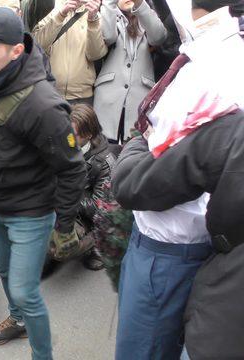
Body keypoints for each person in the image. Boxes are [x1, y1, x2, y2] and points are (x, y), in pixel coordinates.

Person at [0, 7, 86, 356]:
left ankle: (42, 354)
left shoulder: (44, 105)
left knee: (25, 290)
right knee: (3, 269)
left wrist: (65, 225)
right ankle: (17, 320)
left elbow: (73, 169)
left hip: (32, 211)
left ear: (16, 51)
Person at [111, 1, 244, 359]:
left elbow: (150, 176)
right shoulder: (206, 49)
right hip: (164, 242)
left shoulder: (222, 65)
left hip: (171, 250)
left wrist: (137, 144)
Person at [94, 0, 166, 143]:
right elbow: (108, 36)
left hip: (139, 96)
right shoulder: (109, 14)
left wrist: (140, 5)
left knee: (133, 145)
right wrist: (109, 3)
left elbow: (159, 37)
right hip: (109, 95)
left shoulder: (145, 18)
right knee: (105, 144)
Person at [33, 0, 107, 105]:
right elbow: (38, 45)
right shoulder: (51, 8)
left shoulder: (96, 14)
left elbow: (95, 55)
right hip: (49, 91)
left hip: (82, 96)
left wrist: (92, 20)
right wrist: (61, 15)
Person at [67, 103, 113, 270]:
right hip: (67, 201)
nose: (67, 138)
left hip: (87, 212)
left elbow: (99, 209)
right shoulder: (65, 143)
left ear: (88, 134)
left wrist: (67, 192)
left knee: (61, 247)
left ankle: (98, 245)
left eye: (73, 135)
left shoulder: (105, 163)